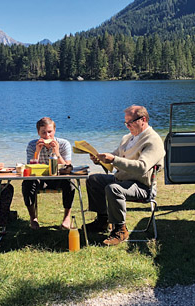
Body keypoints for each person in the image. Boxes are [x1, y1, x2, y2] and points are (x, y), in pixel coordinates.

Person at [86, 105, 165, 246]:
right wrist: (100, 160)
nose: (127, 126)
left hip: (142, 187)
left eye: (130, 122)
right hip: (122, 180)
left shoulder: (153, 141)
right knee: (94, 180)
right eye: (126, 122)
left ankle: (120, 229)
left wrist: (114, 160)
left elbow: (142, 167)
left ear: (143, 119)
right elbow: (116, 158)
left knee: (113, 188)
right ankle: (103, 220)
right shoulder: (128, 138)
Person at [22, 117, 75, 230]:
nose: (47, 136)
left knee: (71, 181)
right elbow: (30, 168)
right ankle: (33, 218)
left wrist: (56, 152)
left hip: (58, 178)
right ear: (38, 132)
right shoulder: (32, 145)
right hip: (40, 179)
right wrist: (37, 152)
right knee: (27, 183)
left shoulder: (64, 144)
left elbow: (67, 168)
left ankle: (67, 217)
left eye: (50, 132)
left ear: (54, 131)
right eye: (43, 132)